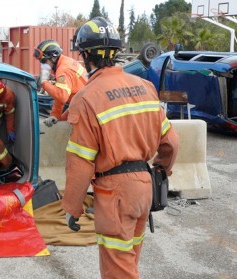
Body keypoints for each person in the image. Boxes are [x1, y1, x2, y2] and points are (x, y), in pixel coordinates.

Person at [61, 17, 179, 279]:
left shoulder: (86, 98)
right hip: (144, 189)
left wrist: (72, 206)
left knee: (119, 271)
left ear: (86, 56)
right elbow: (171, 142)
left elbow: (80, 161)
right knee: (130, 260)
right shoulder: (145, 87)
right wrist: (160, 171)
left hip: (115, 194)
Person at [33, 39, 88, 127]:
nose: (42, 64)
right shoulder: (64, 62)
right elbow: (61, 92)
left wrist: (44, 82)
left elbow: (62, 96)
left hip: (85, 107)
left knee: (73, 132)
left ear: (54, 57)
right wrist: (55, 114)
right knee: (60, 120)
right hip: (80, 102)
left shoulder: (63, 69)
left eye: (43, 61)